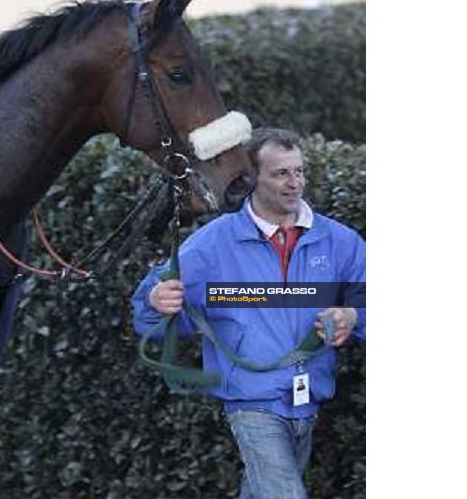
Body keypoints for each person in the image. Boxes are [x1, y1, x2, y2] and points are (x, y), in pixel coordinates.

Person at [132, 128, 365, 499]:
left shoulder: (339, 242)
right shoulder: (214, 242)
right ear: (253, 178)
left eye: (299, 171)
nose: (295, 183)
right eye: (281, 174)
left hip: (308, 399)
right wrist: (155, 300)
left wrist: (354, 318)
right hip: (251, 402)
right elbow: (152, 306)